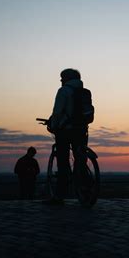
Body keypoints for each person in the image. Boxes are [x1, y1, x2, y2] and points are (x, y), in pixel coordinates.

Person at [45, 68, 94, 205]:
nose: (61, 80)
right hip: (81, 130)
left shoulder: (63, 91)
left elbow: (58, 111)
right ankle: (85, 187)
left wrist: (53, 125)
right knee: (80, 158)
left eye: (62, 77)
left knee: (62, 160)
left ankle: (59, 195)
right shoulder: (85, 92)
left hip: (65, 130)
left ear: (67, 78)